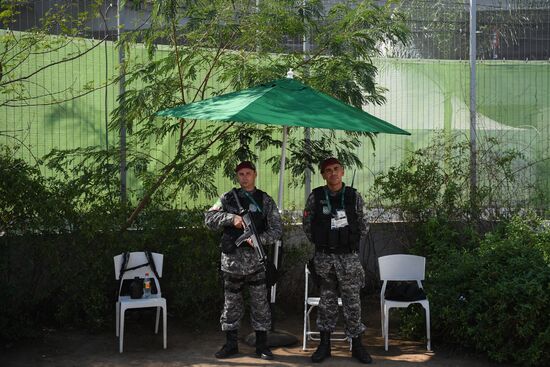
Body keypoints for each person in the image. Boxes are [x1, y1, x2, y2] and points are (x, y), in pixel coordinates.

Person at [205, 161, 283, 360]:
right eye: (241, 174)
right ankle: (231, 345)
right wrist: (232, 219)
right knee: (231, 304)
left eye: (248, 173)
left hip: (256, 262)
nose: (245, 177)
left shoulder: (265, 200)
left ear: (255, 174)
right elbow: (208, 219)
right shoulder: (228, 198)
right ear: (237, 176)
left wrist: (258, 239)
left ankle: (262, 346)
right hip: (232, 263)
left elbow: (276, 230)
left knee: (260, 304)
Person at [302, 157, 372, 364]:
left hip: (348, 258)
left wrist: (346, 237)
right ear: (323, 175)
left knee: (353, 303)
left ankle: (357, 346)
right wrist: (323, 240)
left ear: (342, 172)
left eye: (336, 169)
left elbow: (364, 224)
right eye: (328, 171)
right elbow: (307, 224)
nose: (332, 173)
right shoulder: (316, 197)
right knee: (327, 303)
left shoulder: (353, 196)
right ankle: (324, 346)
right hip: (324, 259)